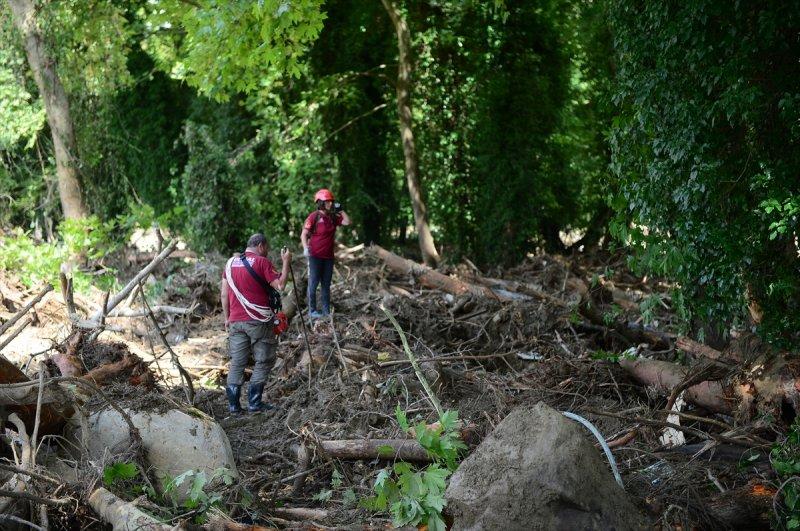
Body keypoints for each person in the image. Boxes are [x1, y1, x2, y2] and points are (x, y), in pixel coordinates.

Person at [220, 233, 291, 414]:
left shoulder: (230, 264)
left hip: (235, 321)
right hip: (258, 321)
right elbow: (281, 285)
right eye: (266, 248)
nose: (266, 252)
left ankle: (234, 407)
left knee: (237, 362)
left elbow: (223, 294)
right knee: (264, 360)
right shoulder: (261, 262)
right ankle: (254, 403)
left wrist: (227, 318)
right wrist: (286, 261)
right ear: (260, 246)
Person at [300, 188, 351, 318]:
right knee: (313, 282)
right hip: (315, 256)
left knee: (326, 284)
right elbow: (304, 234)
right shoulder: (314, 217)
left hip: (328, 257)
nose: (330, 204)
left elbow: (347, 222)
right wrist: (306, 248)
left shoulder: (333, 217)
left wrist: (341, 210)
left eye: (331, 201)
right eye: (327, 201)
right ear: (320, 203)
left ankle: (326, 311)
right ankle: (312, 311)